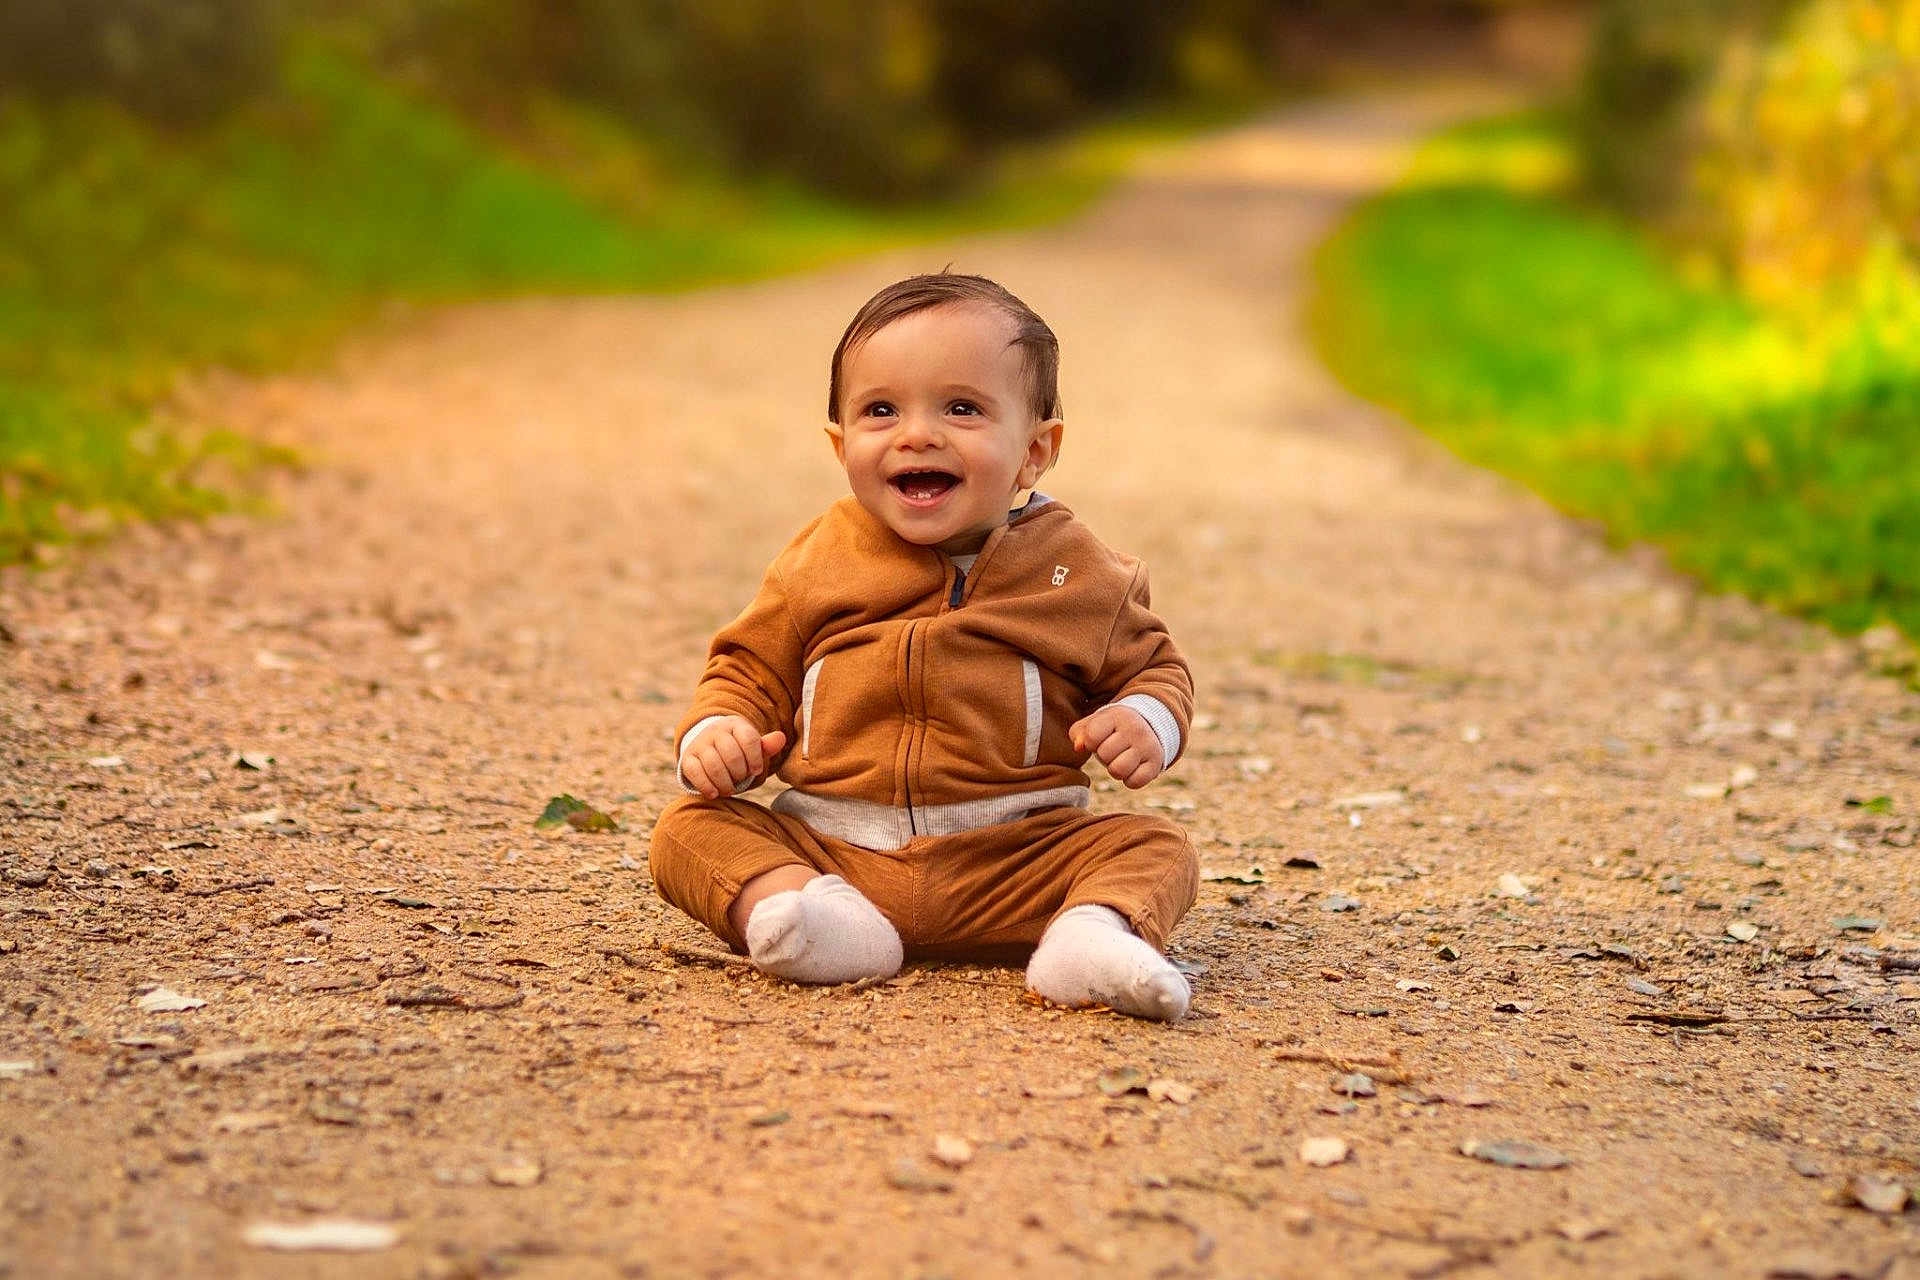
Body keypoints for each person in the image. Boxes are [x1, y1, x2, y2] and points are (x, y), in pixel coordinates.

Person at [648, 272, 1198, 1021]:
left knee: (1157, 850)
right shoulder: (820, 557)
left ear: (1035, 451)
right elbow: (747, 666)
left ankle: (1087, 938)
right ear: (841, 445)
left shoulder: (1079, 572)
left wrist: (1144, 718)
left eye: (962, 408)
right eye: (881, 410)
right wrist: (722, 731)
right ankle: (813, 919)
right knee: (689, 831)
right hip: (837, 850)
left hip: (1017, 858)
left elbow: (1155, 667)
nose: (917, 434)